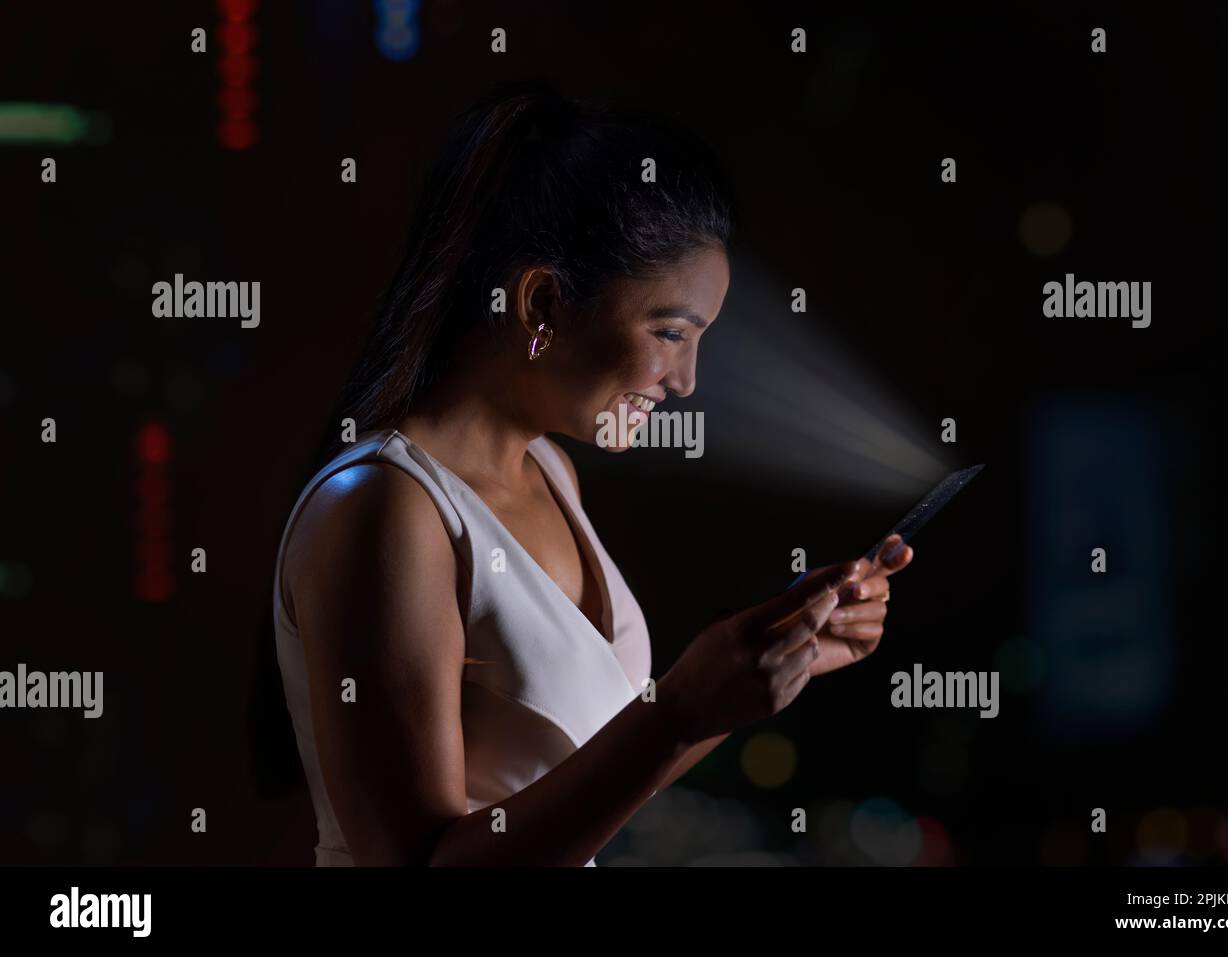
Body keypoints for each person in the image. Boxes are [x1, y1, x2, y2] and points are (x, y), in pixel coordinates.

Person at [270, 80, 915, 867]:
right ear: (541, 303)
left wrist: (759, 673)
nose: (685, 381)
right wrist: (679, 709)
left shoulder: (549, 473)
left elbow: (592, 777)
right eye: (671, 331)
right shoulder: (381, 509)